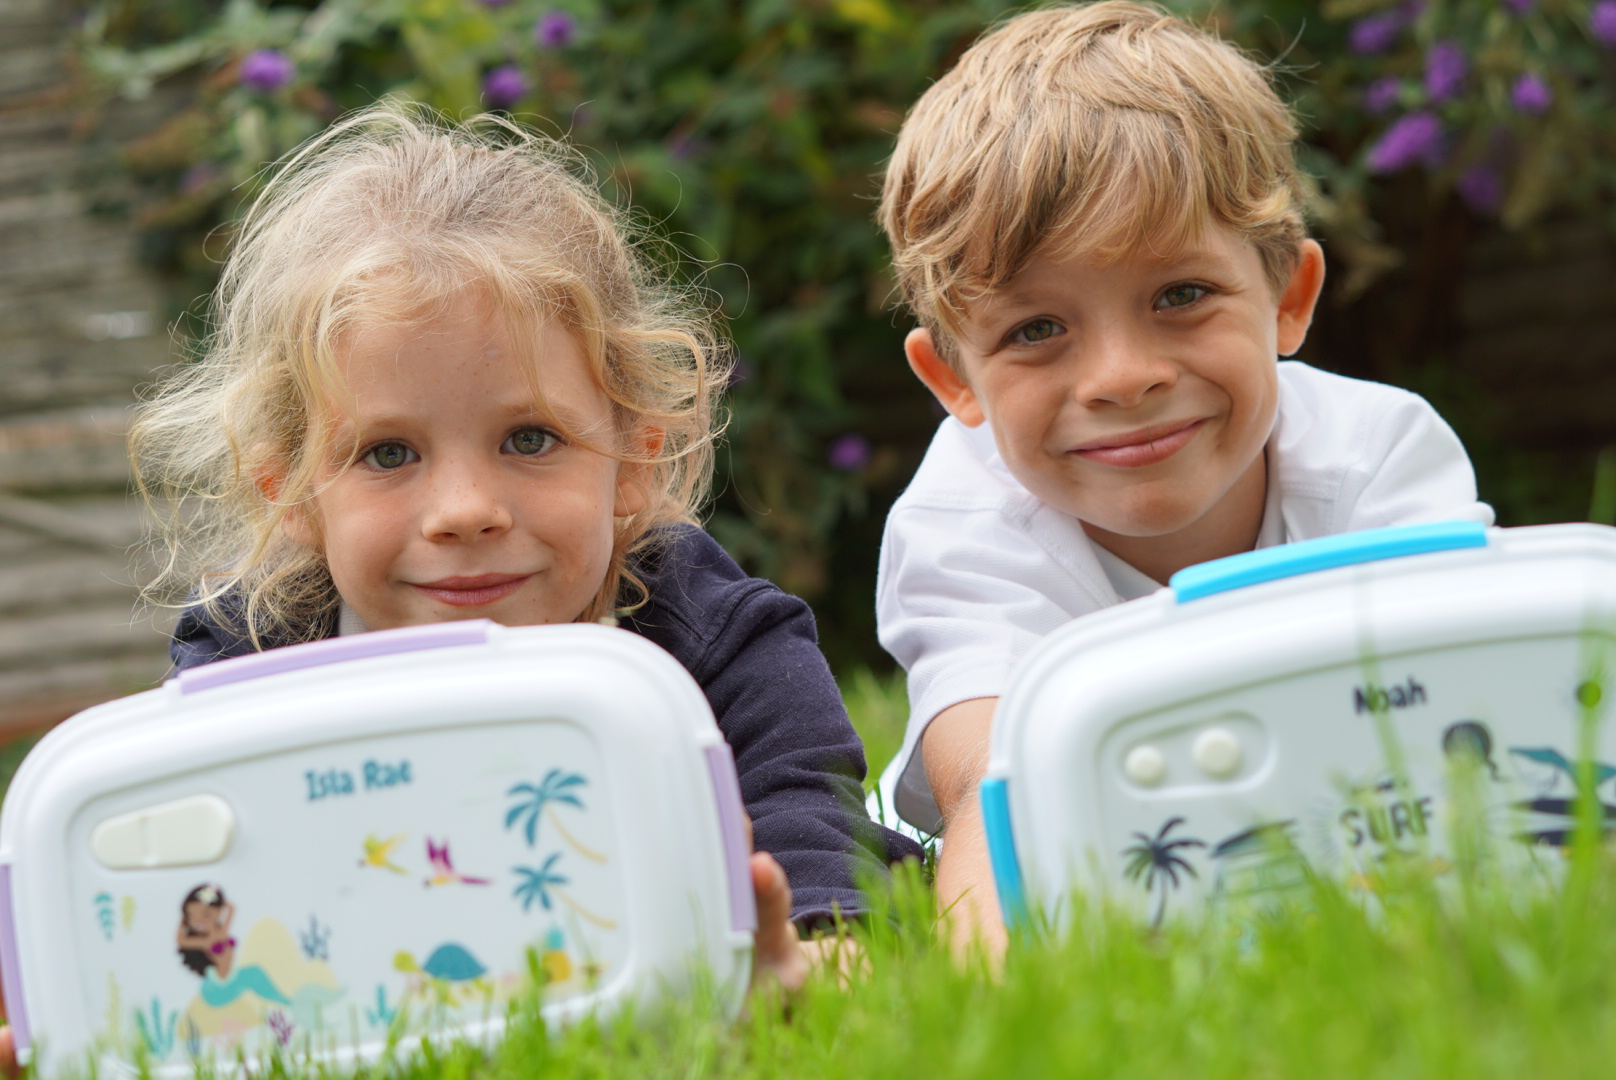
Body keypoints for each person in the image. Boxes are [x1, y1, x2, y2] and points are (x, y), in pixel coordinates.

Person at [123, 105, 910, 994]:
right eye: (388, 454)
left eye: (529, 439)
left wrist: (815, 954)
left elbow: (814, 839)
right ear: (292, 493)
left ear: (632, 463)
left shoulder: (716, 638)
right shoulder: (248, 663)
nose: (465, 512)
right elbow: (178, 904)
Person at [872, 1, 1493, 950]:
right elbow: (993, 789)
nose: (1123, 377)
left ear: (1288, 299)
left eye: (1181, 295)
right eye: (1037, 329)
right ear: (955, 380)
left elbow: (1466, 713)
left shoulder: (1379, 458)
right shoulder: (961, 528)